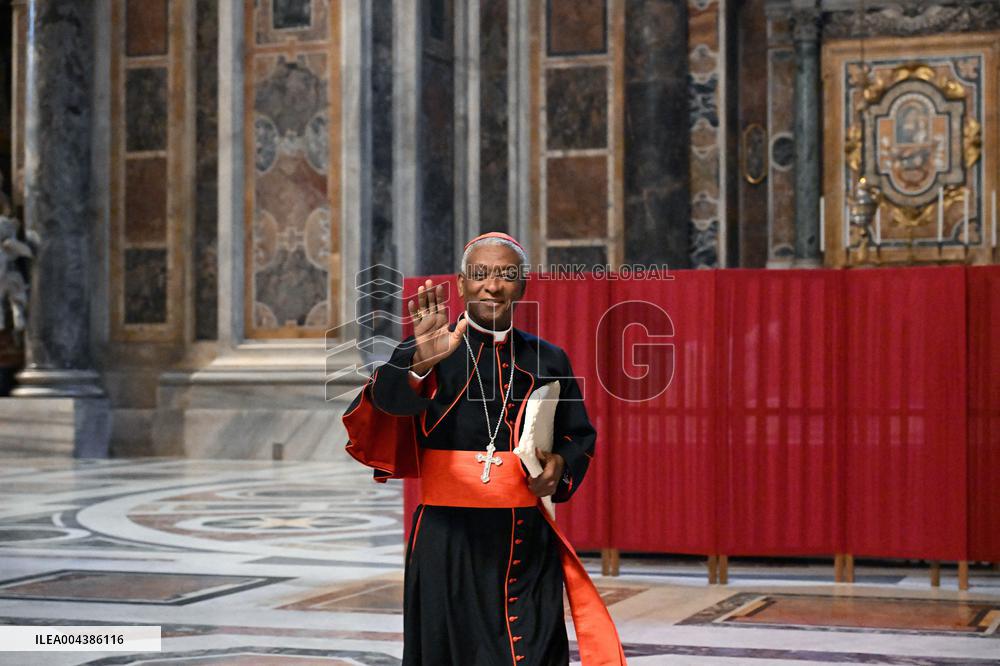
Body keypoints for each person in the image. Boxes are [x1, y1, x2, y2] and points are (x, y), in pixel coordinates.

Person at [344, 232, 625, 666]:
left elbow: (579, 436)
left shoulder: (548, 358)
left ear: (523, 286)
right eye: (480, 274)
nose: (492, 286)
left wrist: (558, 468)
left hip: (525, 539)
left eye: (506, 275)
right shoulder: (429, 349)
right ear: (460, 283)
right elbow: (385, 404)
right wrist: (421, 361)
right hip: (447, 541)